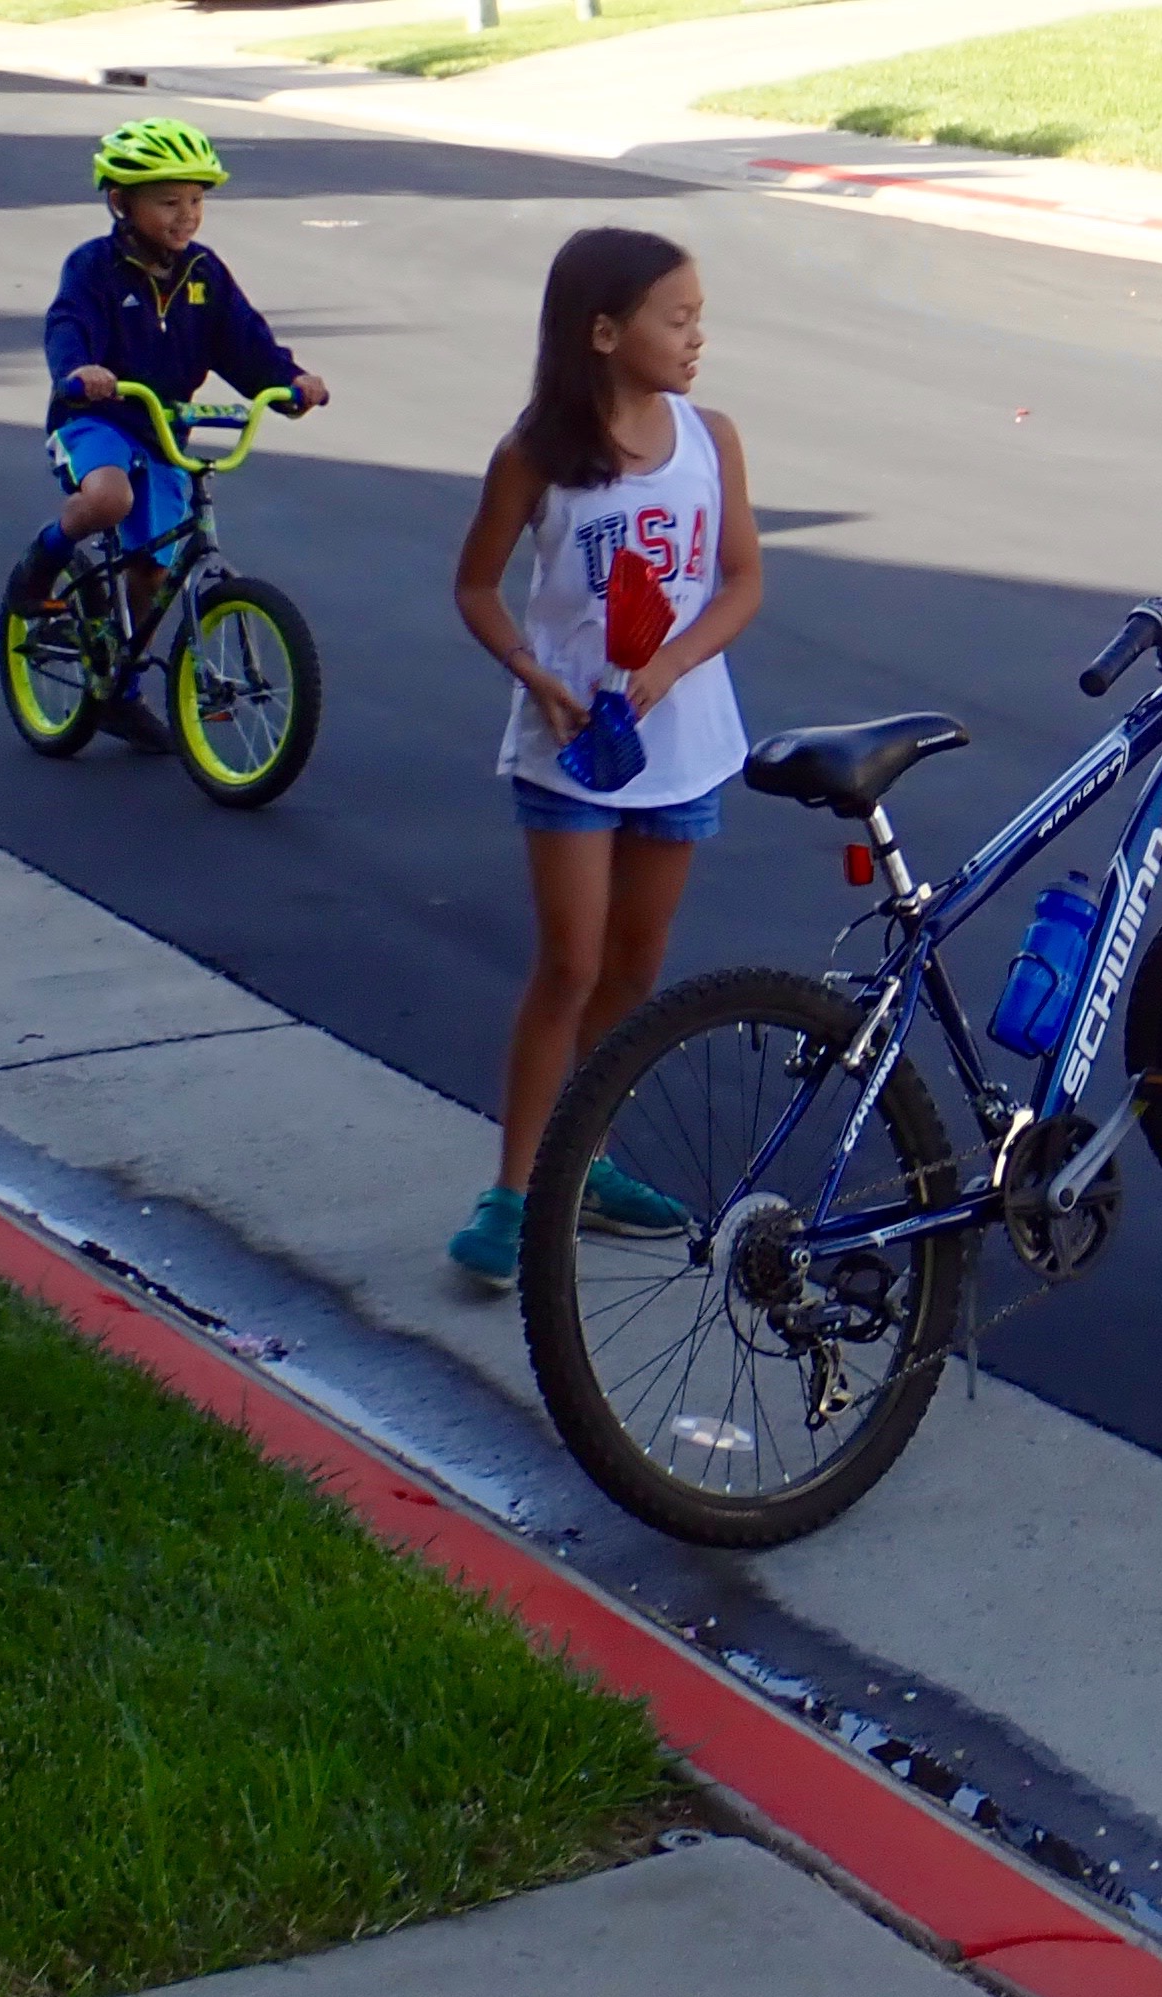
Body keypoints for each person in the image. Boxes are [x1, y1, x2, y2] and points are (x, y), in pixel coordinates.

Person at [443, 228, 762, 1288]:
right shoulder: (535, 455)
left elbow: (742, 581)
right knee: (570, 965)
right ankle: (513, 1192)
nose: (697, 337)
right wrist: (532, 674)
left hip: (682, 747)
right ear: (603, 332)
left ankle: (591, 1162)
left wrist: (671, 664)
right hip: (571, 750)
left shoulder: (711, 439)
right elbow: (477, 586)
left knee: (632, 970)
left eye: (698, 317)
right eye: (678, 319)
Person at [15, 118, 329, 751]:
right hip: (97, 419)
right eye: (168, 202)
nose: (186, 216)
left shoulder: (204, 273)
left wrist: (289, 381)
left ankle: (122, 689)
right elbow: (68, 325)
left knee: (154, 571)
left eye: (195, 200)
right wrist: (80, 372)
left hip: (163, 430)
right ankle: (43, 562)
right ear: (120, 203)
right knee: (110, 500)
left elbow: (244, 342)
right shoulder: (94, 268)